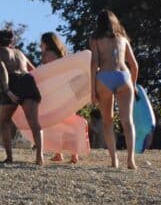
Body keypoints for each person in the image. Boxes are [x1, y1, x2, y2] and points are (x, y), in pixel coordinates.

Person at [90, 10, 139, 169]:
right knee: (128, 121)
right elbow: (134, 65)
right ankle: (131, 160)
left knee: (107, 121)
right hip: (123, 76)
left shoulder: (95, 39)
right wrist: (133, 84)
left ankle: (114, 160)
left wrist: (92, 90)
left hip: (104, 76)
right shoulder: (123, 38)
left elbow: (94, 64)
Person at [0, 29, 44, 164]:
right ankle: (40, 157)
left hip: (13, 82)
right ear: (11, 41)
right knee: (34, 123)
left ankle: (10, 157)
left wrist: (7, 90)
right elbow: (34, 70)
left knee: (4, 121)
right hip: (27, 81)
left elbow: (3, 70)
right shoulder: (20, 53)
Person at [40, 32, 79, 163]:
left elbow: (46, 73)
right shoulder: (63, 54)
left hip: (55, 91)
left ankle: (59, 154)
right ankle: (74, 155)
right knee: (70, 123)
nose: (40, 45)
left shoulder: (46, 55)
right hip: (68, 89)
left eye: (41, 43)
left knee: (56, 123)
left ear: (46, 43)